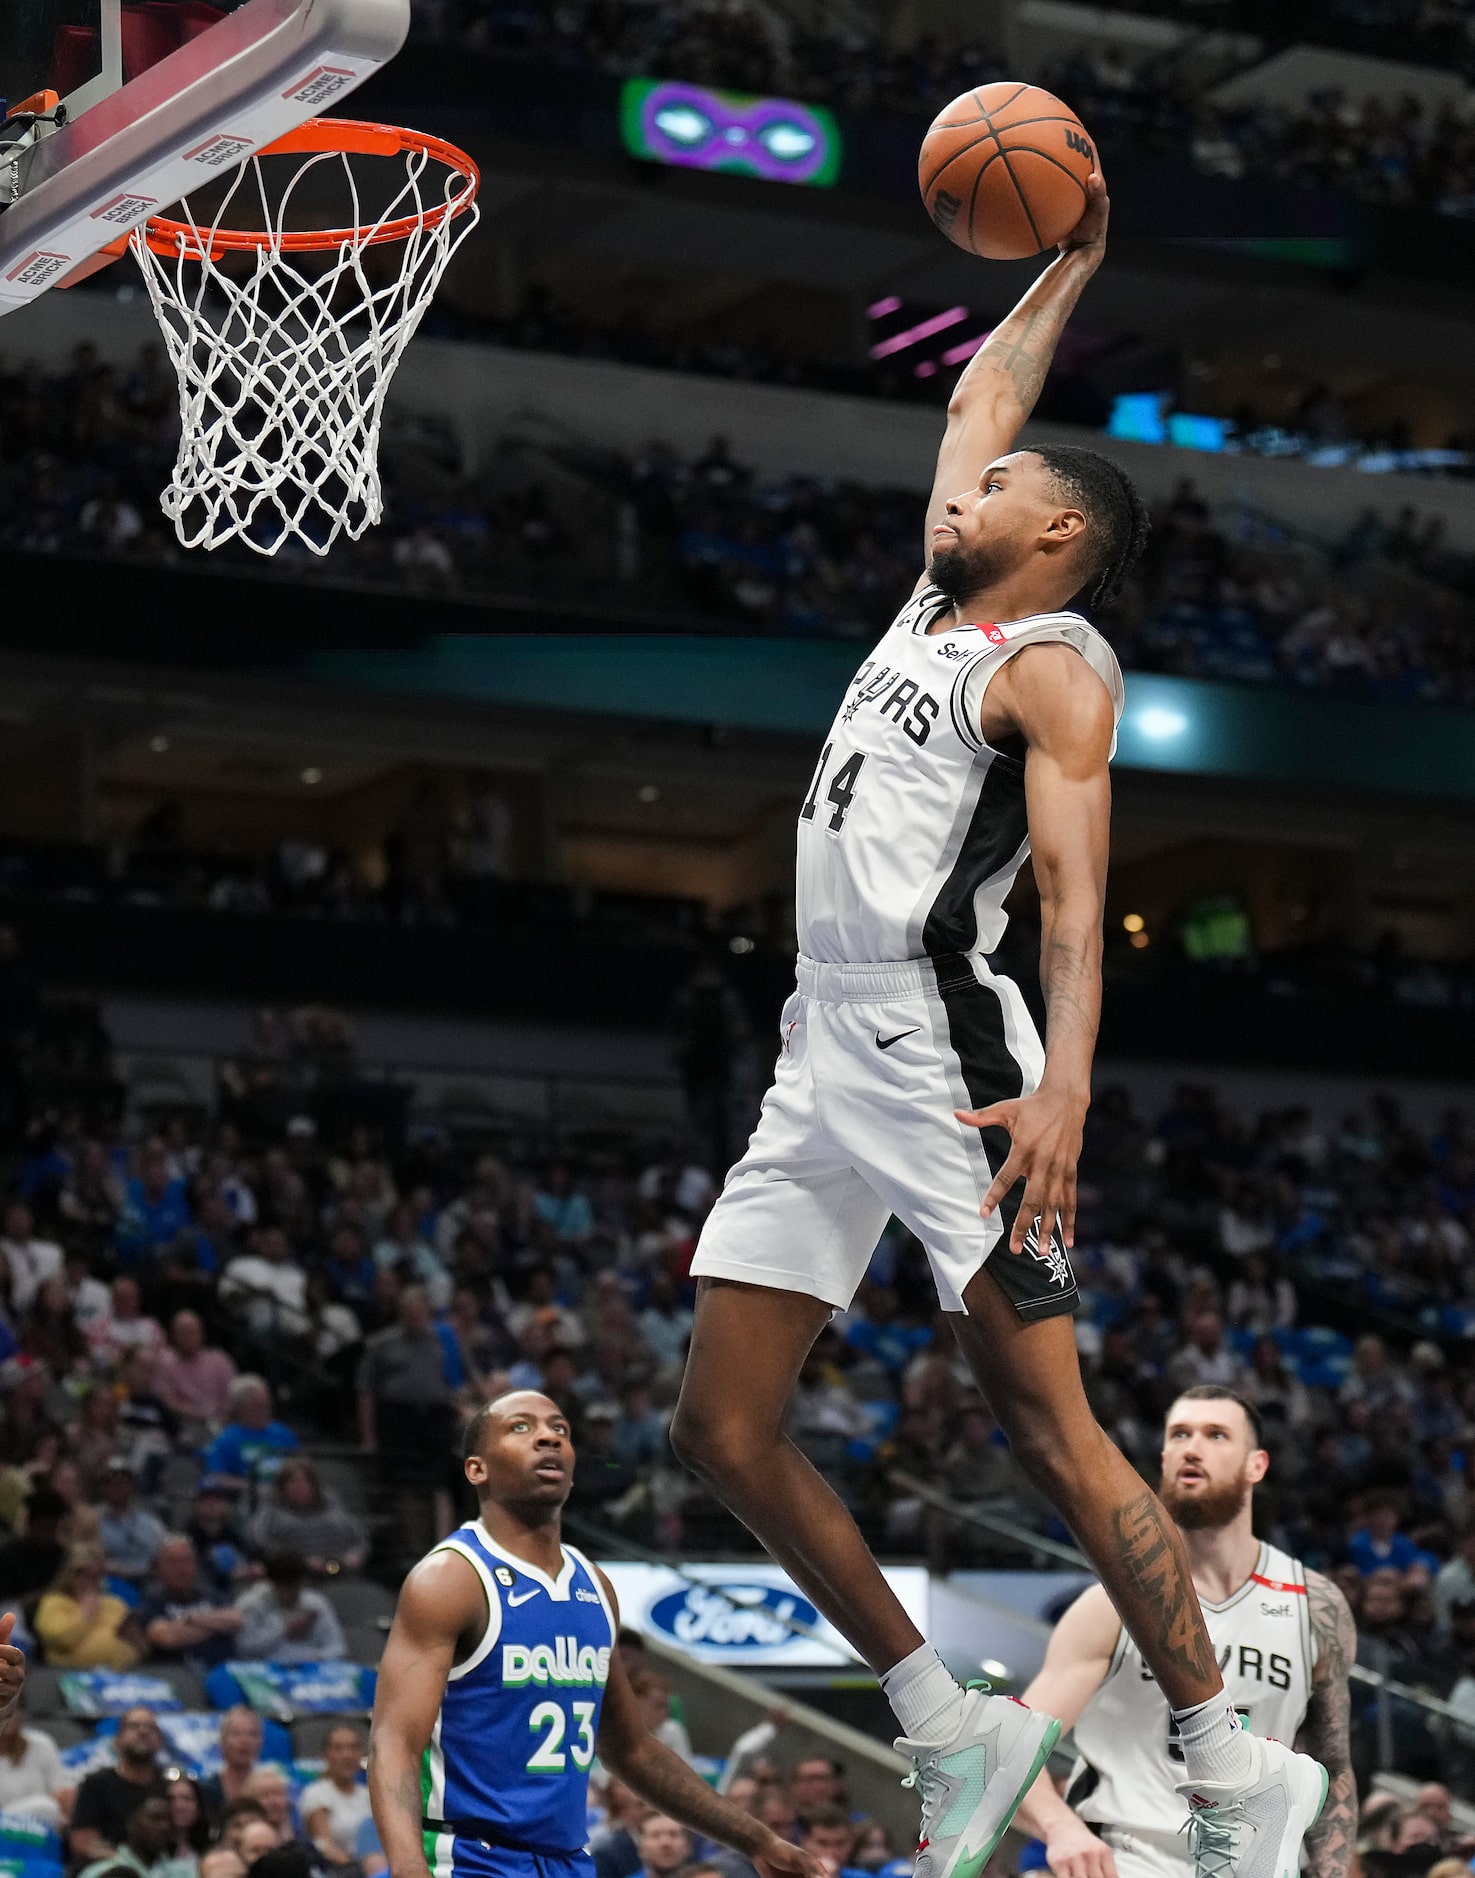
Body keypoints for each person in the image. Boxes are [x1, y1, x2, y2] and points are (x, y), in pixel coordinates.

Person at [669, 171, 1323, 1878]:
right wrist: (1077, 260)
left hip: (952, 1053)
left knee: (1045, 1422)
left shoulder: (1055, 662)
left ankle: (1231, 1762)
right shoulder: (929, 598)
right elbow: (980, 392)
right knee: (720, 1427)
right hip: (825, 1038)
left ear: (1055, 535)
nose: (969, 483)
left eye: (1006, 487)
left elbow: (1064, 887)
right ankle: (951, 1733)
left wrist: (1071, 1092)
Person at [367, 1390, 822, 1878]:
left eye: (559, 1430)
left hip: (567, 1860)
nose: (547, 1437)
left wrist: (756, 1838)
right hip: (470, 1857)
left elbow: (632, 1750)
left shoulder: (594, 1585)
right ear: (476, 1469)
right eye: (520, 1427)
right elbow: (393, 1740)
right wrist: (408, 1866)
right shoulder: (451, 1578)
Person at [1012, 1389, 1354, 1878]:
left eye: (1216, 1435)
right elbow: (1012, 1751)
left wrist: (1332, 1870)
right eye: (1180, 1435)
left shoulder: (1315, 1606)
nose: (1193, 1448)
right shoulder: (1108, 1604)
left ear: (1257, 1465)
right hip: (1129, 1856)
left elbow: (1333, 1767)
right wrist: (1059, 1828)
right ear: (1165, 1459)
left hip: (1254, 1864)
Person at [70, 1707, 166, 1865]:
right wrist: (126, 1863)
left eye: (151, 1728)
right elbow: (83, 1843)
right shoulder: (97, 1784)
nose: (143, 1732)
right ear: (117, 1741)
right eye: (134, 1726)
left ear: (161, 1742)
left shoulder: (170, 1785)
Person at [139, 1534, 244, 1670]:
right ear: (159, 1568)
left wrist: (191, 1619)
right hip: (181, 1677)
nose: (181, 1569)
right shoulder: (152, 1602)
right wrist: (217, 1626)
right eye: (173, 1562)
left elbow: (236, 1619)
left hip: (227, 1670)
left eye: (186, 1561)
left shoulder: (213, 1595)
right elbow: (166, 1637)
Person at [247, 1462, 367, 1576]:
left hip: (337, 1571)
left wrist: (353, 1556)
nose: (299, 1486)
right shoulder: (271, 1510)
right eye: (293, 1482)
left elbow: (359, 1540)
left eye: (305, 1481)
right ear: (282, 1487)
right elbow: (259, 1540)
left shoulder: (333, 1507)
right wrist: (298, 1561)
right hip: (291, 1576)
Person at [35, 1545, 142, 1669]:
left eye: (97, 1576)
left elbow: (134, 1643)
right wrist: (86, 1611)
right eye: (86, 1575)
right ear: (71, 1575)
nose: (91, 1582)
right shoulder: (53, 1602)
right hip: (68, 1674)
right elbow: (63, 1640)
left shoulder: (115, 1604)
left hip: (121, 1674)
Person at [234, 1550, 346, 1661]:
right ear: (271, 1583)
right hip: (266, 1669)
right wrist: (284, 1633)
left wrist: (319, 1658)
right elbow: (244, 1649)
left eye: (295, 1588)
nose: (290, 1594)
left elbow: (338, 1647)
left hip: (311, 1668)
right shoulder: (250, 1604)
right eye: (284, 1589)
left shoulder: (316, 1604)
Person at [203, 1378, 300, 1496]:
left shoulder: (283, 1433)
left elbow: (301, 1467)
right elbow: (216, 1477)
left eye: (268, 1405)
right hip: (246, 1498)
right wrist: (252, 1487)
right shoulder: (226, 1440)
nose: (267, 1411)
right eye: (259, 1407)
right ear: (241, 1409)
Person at [76, 1789, 191, 1878]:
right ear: (130, 1823)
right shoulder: (101, 1872)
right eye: (155, 1819)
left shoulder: (184, 1873)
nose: (164, 1827)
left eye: (168, 1820)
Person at [298, 1724, 370, 1866]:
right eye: (338, 1748)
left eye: (353, 1748)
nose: (347, 1755)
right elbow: (323, 1844)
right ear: (325, 1755)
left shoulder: (368, 1795)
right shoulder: (316, 1794)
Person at [0, 1701, 66, 1824]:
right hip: (4, 1830)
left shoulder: (42, 1744)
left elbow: (61, 1791)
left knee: (47, 1807)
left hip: (42, 1826)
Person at [199, 1711, 266, 1823]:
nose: (244, 1741)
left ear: (260, 1742)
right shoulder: (208, 1789)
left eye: (252, 1734)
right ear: (223, 1741)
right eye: (236, 1734)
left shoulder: (269, 1788)